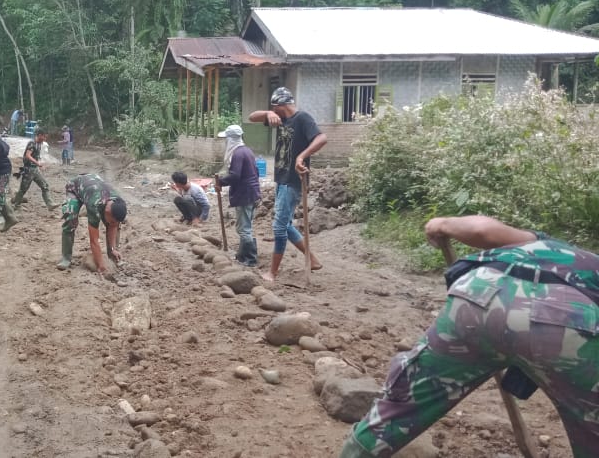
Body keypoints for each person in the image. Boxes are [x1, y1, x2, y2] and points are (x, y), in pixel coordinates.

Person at [339, 215, 599, 458]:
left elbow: (481, 229)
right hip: (568, 319)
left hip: (478, 294)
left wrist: (441, 223)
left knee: (401, 405)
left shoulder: (545, 245)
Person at [248, 87, 326, 282]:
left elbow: (322, 138)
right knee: (285, 224)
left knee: (279, 227)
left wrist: (302, 156)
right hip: (281, 178)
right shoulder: (280, 118)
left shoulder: (302, 119)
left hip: (294, 180)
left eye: (274, 108)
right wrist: (267, 113)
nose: (273, 111)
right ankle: (313, 259)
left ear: (281, 105)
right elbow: (252, 117)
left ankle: (272, 273)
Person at [57, 174, 126, 272]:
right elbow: (94, 240)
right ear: (106, 210)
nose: (112, 224)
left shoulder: (118, 203)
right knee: (70, 218)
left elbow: (113, 226)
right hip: (75, 188)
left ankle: (112, 255)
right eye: (111, 220)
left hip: (94, 187)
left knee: (112, 223)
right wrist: (100, 265)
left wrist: (112, 248)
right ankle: (66, 258)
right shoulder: (95, 206)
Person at [213, 125, 260, 266]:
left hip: (244, 194)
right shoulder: (247, 151)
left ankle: (250, 259)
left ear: (231, 139)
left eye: (226, 139)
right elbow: (255, 172)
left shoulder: (238, 154)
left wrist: (220, 182)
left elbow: (235, 176)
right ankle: (242, 255)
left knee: (243, 228)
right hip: (252, 192)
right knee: (247, 226)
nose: (226, 142)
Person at [12, 128, 56, 211]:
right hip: (29, 169)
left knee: (44, 185)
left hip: (34, 169)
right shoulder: (32, 143)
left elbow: (35, 156)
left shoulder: (39, 144)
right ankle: (16, 205)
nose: (45, 139)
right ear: (39, 135)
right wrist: (37, 163)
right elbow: (28, 155)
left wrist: (39, 164)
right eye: (44, 137)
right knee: (23, 189)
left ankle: (50, 204)